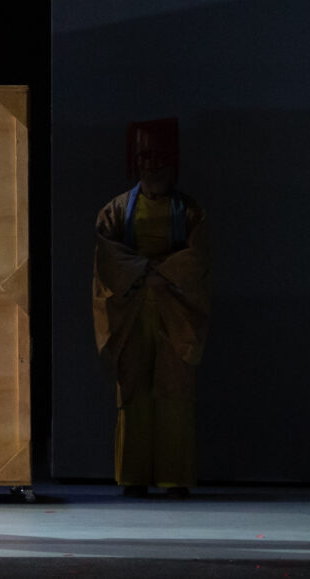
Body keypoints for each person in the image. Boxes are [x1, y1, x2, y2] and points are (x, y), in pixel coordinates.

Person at [92, 118, 208, 497]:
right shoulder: (116, 211)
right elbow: (108, 256)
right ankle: (133, 477)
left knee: (175, 391)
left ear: (171, 161)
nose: (151, 165)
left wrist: (161, 275)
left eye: (158, 157)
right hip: (132, 309)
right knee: (133, 390)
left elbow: (197, 258)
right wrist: (146, 272)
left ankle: (175, 478)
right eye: (144, 157)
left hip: (175, 310)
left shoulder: (189, 213)